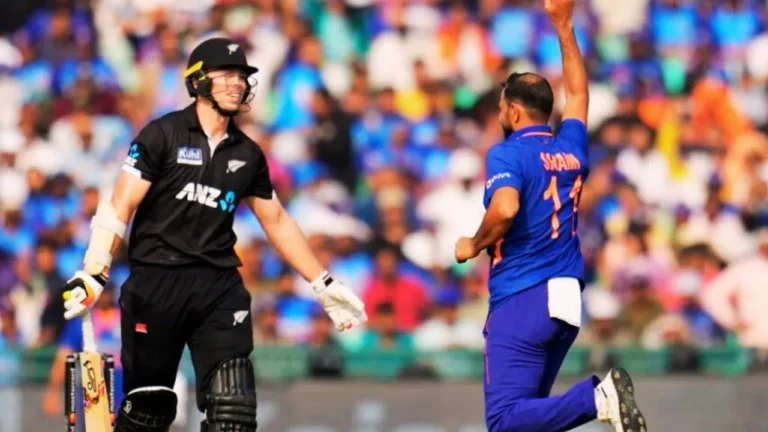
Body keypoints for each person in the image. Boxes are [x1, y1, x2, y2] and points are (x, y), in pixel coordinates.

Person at [59, 37, 367, 432]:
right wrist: (95, 271)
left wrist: (322, 283)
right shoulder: (162, 134)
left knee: (234, 411)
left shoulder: (248, 153)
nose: (238, 82)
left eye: (242, 76)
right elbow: (121, 204)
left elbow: (276, 220)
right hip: (156, 282)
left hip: (219, 287)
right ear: (197, 81)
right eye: (227, 74)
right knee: (149, 411)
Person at [453, 1, 646, 431]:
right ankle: (598, 399)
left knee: (504, 421)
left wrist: (474, 244)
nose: (499, 114)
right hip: (566, 299)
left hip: (523, 295)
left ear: (514, 111)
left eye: (501, 107)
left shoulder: (507, 153)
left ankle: (597, 397)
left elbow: (505, 208)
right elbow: (578, 95)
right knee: (529, 420)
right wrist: (564, 25)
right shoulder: (570, 147)